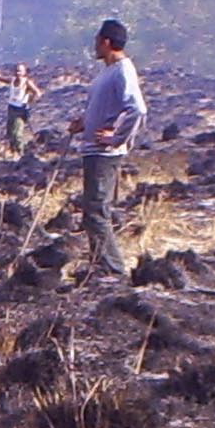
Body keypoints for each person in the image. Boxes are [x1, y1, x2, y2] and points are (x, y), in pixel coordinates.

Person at [67, 18, 144, 279]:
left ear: (106, 42)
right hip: (92, 151)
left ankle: (114, 271)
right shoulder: (107, 72)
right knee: (93, 211)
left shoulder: (123, 70)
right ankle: (99, 266)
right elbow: (107, 108)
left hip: (104, 154)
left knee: (97, 211)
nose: (95, 45)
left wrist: (117, 138)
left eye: (97, 40)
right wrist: (84, 123)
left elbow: (137, 109)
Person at [0, 60, 43, 152]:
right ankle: (13, 152)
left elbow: (38, 93)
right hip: (11, 109)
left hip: (20, 110)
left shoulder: (27, 82)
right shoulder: (12, 80)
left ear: (24, 72)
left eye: (20, 71)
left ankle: (21, 152)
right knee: (10, 133)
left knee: (17, 133)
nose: (17, 73)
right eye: (16, 70)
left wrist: (29, 101)